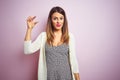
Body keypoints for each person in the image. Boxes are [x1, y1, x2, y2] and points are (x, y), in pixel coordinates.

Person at [24, 6, 80, 80]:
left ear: (64, 20)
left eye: (61, 18)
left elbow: (73, 60)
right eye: (55, 18)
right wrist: (29, 29)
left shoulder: (70, 36)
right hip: (49, 77)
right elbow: (27, 50)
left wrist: (77, 78)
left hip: (67, 77)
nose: (58, 21)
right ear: (51, 20)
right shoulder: (44, 36)